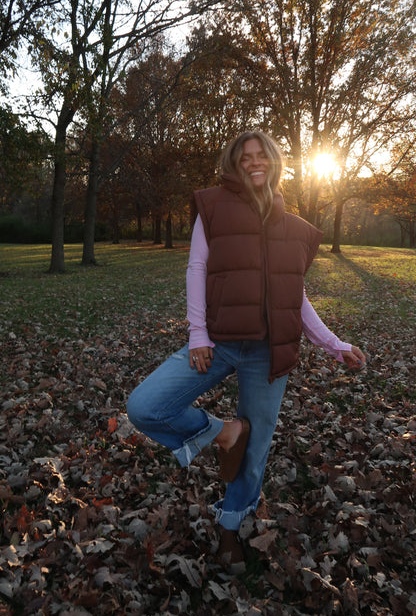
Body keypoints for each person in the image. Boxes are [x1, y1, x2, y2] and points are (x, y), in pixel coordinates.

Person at [127, 130, 366, 569]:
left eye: (261, 156)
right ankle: (223, 432)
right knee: (145, 406)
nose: (254, 163)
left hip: (267, 354)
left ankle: (229, 527)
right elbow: (196, 267)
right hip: (215, 343)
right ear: (234, 166)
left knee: (255, 453)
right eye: (244, 158)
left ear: (274, 162)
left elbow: (295, 298)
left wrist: (334, 345)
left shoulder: (293, 229)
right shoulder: (213, 207)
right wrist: (197, 333)